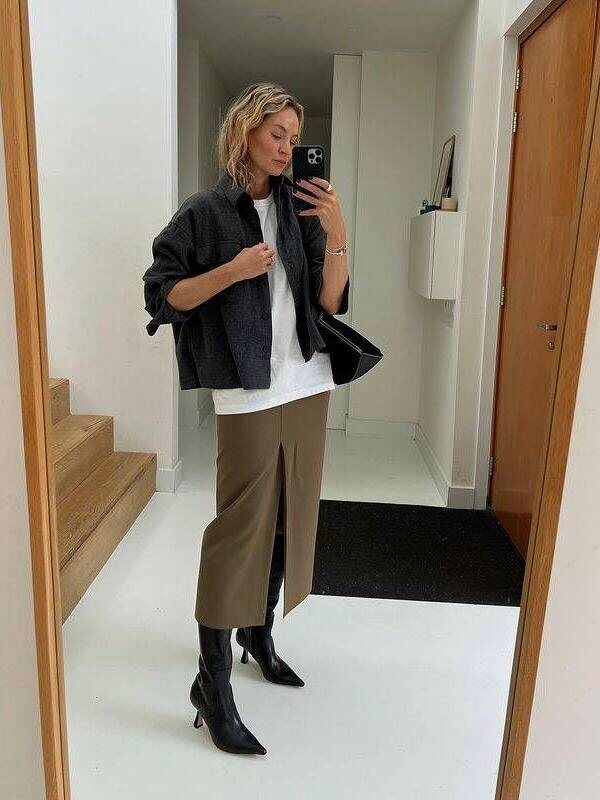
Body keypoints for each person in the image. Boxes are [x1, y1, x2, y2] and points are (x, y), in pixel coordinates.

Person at [142, 82, 350, 755]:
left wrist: (337, 233)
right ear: (245, 132)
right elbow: (162, 296)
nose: (288, 148)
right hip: (249, 390)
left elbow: (329, 301)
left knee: (290, 516)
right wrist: (232, 271)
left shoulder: (298, 207)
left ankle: (258, 636)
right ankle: (212, 682)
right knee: (238, 532)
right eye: (276, 134)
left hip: (307, 380)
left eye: (294, 136)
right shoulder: (204, 213)